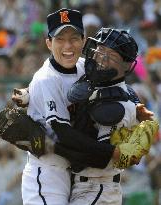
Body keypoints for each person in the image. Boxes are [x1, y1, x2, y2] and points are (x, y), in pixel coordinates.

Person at [11, 19, 158, 205]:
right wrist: (30, 95)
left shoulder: (115, 105)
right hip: (82, 186)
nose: (101, 60)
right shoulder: (95, 79)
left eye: (110, 57)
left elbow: (95, 159)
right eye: (99, 51)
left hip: (97, 188)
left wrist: (45, 143)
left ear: (126, 66)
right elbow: (56, 84)